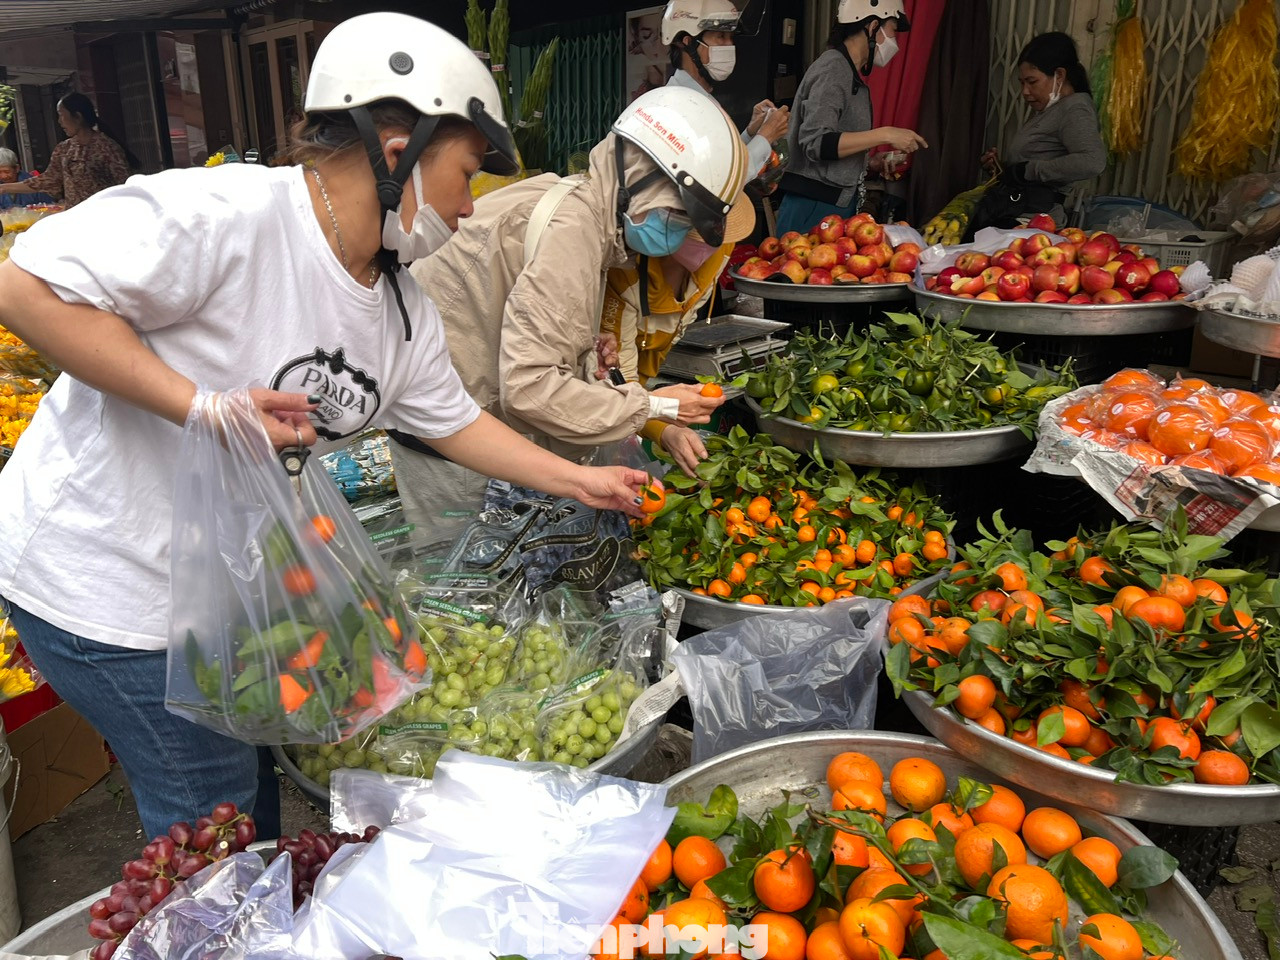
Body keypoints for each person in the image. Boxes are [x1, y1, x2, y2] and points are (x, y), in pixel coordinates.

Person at [0, 13, 649, 842]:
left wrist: (581, 477)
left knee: (251, 806)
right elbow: (24, 290)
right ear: (396, 150)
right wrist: (204, 409)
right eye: (464, 172)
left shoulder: (400, 308)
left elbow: (455, 422)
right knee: (213, 821)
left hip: (217, 598)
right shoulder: (230, 215)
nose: (470, 207)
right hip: (105, 584)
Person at [393, 85, 755, 529]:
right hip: (450, 446)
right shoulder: (576, 229)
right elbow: (528, 388)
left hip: (462, 427)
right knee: (461, 587)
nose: (677, 236)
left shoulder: (588, 215)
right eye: (676, 216)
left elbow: (524, 321)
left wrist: (582, 351)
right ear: (639, 178)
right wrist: (656, 408)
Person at [775, 0, 927, 237]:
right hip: (813, 206)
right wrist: (885, 134)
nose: (894, 41)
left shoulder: (848, 73)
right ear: (873, 26)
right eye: (892, 30)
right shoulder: (833, 68)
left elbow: (836, 145)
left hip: (834, 204)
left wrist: (871, 162)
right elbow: (817, 142)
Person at [968, 32, 1106, 237]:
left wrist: (1029, 170)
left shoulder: (1074, 109)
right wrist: (1002, 169)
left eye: (1032, 82)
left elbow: (1092, 161)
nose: (1025, 91)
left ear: (1059, 75)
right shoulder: (1052, 110)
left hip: (1035, 223)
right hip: (1018, 214)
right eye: (1022, 83)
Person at [661, 0, 790, 179]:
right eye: (720, 36)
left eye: (731, 38)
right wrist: (766, 135)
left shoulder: (701, 99)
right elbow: (722, 179)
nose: (729, 46)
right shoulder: (680, 107)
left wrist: (751, 133)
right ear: (688, 42)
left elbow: (723, 160)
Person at [0, 94, 128, 208]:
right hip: (75, 219)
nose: (59, 121)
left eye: (61, 115)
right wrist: (4, 188)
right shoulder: (64, 149)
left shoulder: (106, 147)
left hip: (105, 217)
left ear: (77, 116)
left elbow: (125, 186)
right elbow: (46, 181)